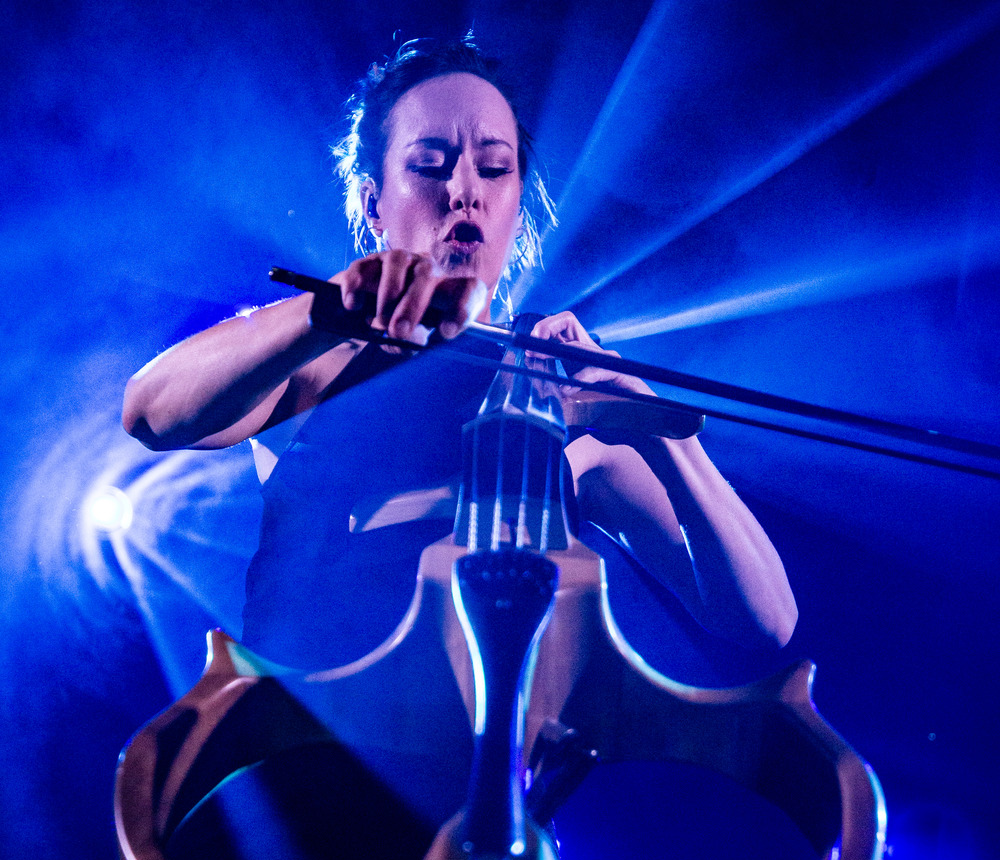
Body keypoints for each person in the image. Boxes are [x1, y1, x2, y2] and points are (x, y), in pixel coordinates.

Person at [122, 36, 797, 672]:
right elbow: (150, 413)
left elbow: (765, 621)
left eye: (495, 168)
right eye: (428, 166)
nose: (463, 190)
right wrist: (324, 312)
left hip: (488, 757)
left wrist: (657, 428)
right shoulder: (324, 354)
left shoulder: (560, 397)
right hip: (301, 741)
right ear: (374, 204)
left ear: (516, 205)